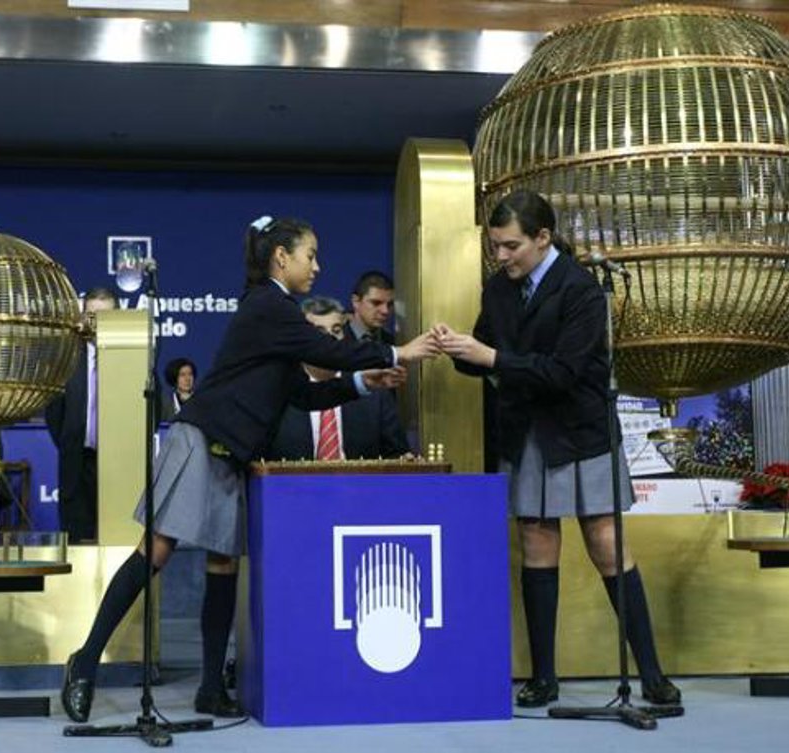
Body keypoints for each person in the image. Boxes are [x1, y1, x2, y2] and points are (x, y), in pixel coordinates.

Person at [60, 215, 439, 722]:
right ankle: (84, 663)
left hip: (235, 452)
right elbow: (326, 349)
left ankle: (209, 688)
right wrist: (397, 349)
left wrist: (365, 383)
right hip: (201, 438)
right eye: (310, 255)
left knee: (224, 566)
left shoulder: (276, 314)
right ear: (282, 257)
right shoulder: (268, 305)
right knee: (156, 552)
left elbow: (302, 393)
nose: (317, 266)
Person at [434, 190, 681, 708]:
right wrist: (457, 348)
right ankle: (543, 677)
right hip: (525, 432)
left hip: (579, 432)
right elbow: (487, 353)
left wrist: (491, 356)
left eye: (511, 246)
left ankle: (652, 675)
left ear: (543, 238)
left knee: (606, 543)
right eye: (495, 246)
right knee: (536, 542)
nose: (501, 256)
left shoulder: (582, 290)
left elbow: (563, 373)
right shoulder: (497, 289)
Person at [264, 296, 410, 461]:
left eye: (336, 330)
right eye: (319, 332)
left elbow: (397, 455)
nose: (330, 340)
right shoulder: (278, 393)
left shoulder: (372, 391)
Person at [45, 287, 117, 544]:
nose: (96, 323)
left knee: (118, 539)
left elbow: (149, 411)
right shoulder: (67, 356)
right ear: (82, 316)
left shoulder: (130, 354)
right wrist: (70, 440)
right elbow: (54, 411)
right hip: (77, 460)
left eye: (105, 317)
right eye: (91, 316)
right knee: (77, 540)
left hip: (118, 464)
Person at [344, 270, 395, 344]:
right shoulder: (336, 340)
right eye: (376, 303)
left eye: (390, 304)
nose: (385, 311)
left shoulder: (392, 342)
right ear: (356, 301)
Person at [159, 357, 197, 422]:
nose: (187, 379)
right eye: (183, 375)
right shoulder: (165, 403)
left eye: (190, 374)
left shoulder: (199, 401)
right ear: (174, 378)